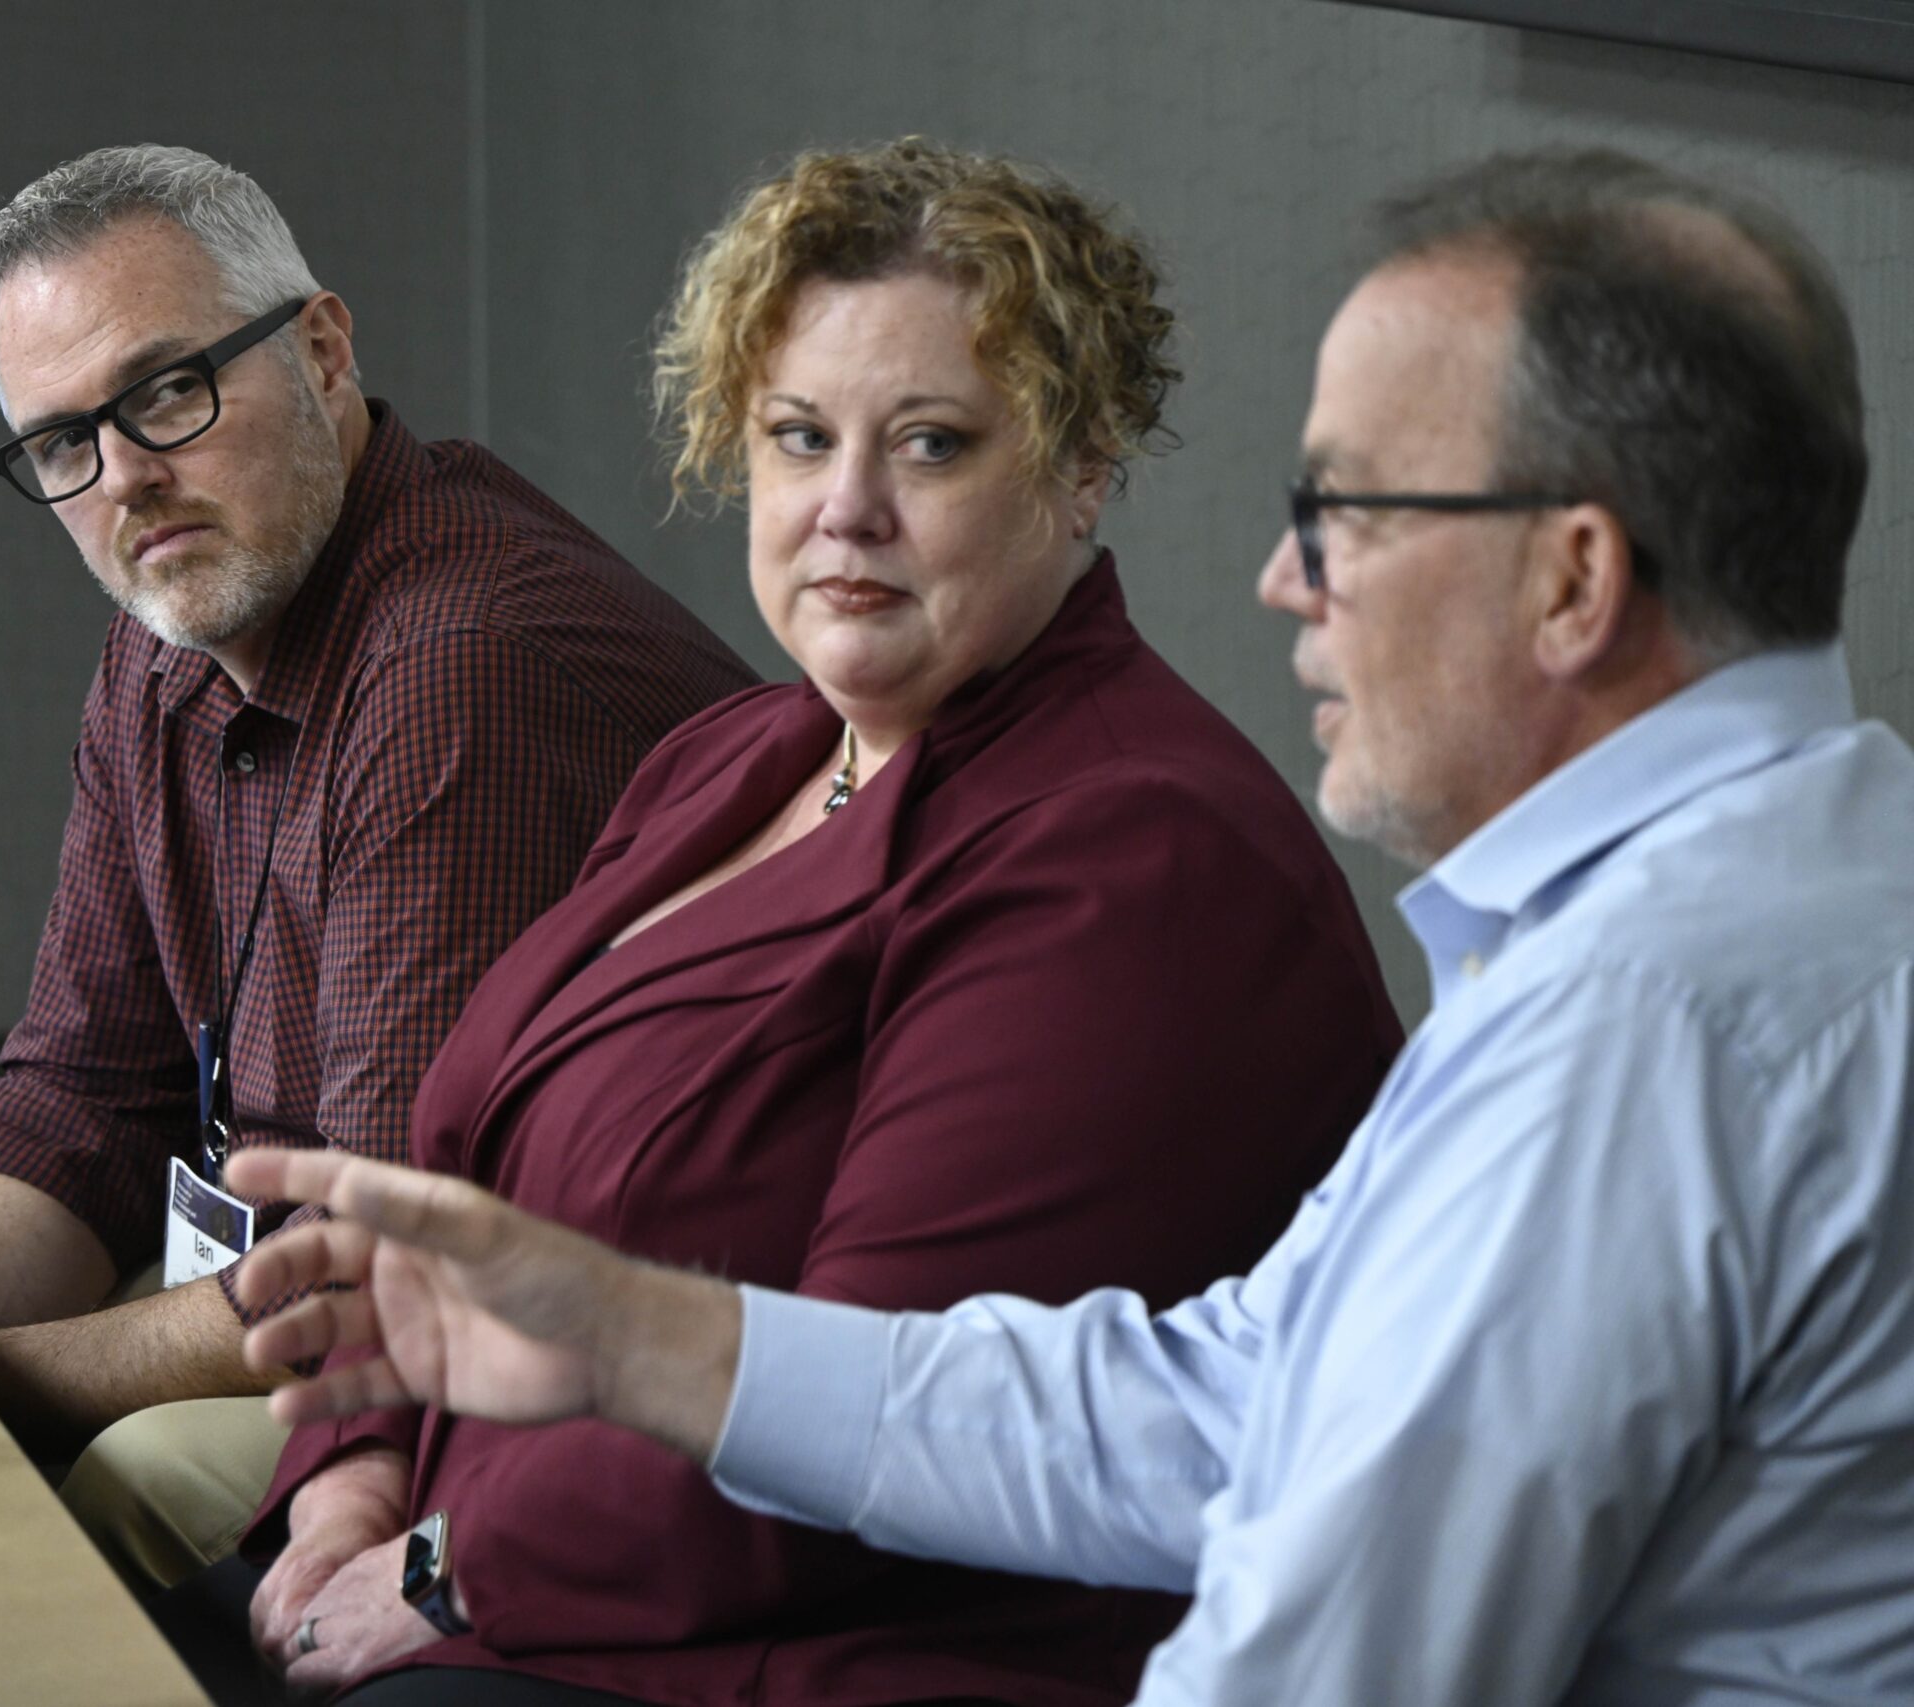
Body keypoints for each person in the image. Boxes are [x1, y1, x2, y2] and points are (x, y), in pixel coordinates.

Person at [231, 146, 1914, 1706]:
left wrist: (462, 1554)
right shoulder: (1805, 861)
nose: (1286, 579)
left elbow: (1322, 1677)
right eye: (798, 435)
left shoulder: (1642, 1032)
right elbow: (1221, 1405)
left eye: (1348, 511)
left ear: (1573, 581)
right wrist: (633, 1337)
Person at [212, 138, 1400, 1706]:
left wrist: (445, 1569)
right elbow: (459, 1187)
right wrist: (357, 1473)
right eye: (798, 437)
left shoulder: (1137, 854)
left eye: (931, 446)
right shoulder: (738, 754)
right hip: (512, 1575)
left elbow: (872, 1426)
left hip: (829, 1655)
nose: (847, 511)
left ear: (1082, 467)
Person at [0, 144, 754, 1579]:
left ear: (324, 351)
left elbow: (373, 1270)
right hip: (319, 1274)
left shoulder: (459, 658)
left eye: (169, 391)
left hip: (581, 1355)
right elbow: (80, 1089)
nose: (126, 479)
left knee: (101, 1486)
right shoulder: (164, 640)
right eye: (60, 444)